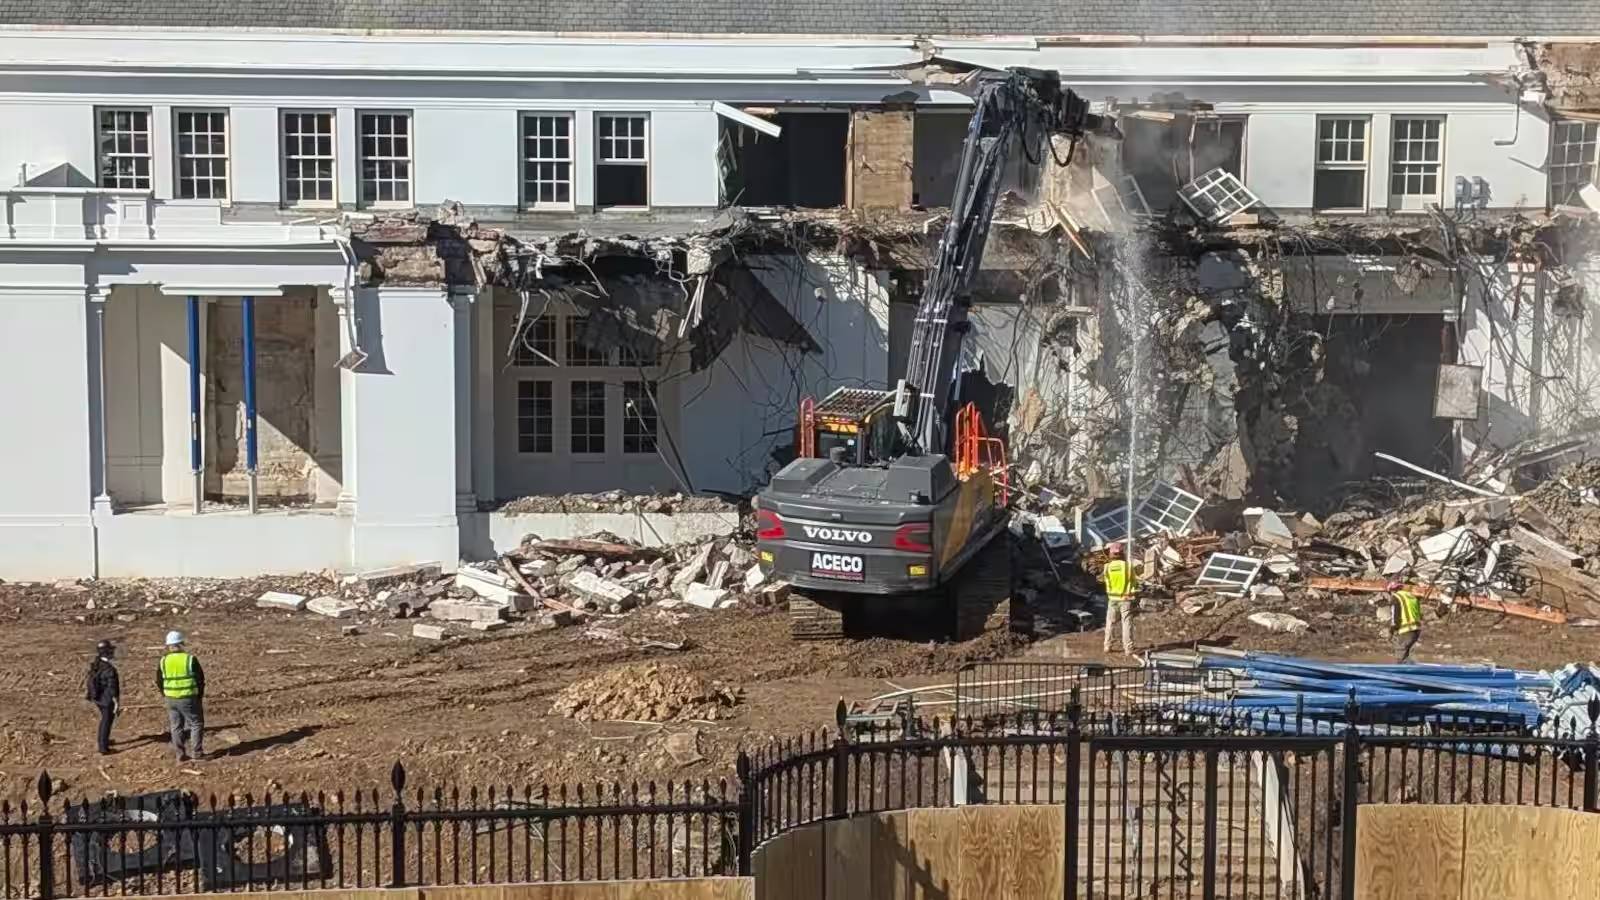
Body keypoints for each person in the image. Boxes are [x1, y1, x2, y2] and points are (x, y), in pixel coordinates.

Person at [157, 630, 206, 761]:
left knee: (176, 726)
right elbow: (200, 679)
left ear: (169, 645)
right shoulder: (189, 659)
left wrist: (166, 693)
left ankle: (180, 754)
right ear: (181, 643)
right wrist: (199, 696)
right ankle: (197, 753)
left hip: (170, 698)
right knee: (196, 723)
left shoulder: (163, 661)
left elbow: (159, 680)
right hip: (188, 697)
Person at [1102, 542, 1138, 657]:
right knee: (1126, 623)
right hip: (1125, 598)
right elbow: (1134, 581)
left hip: (1112, 598)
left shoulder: (1107, 567)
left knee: (1110, 622)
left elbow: (1106, 581)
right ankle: (1128, 648)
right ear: (1122, 553)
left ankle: (1107, 646)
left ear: (1111, 554)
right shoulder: (1127, 566)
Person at [84, 640, 120, 755]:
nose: (113, 652)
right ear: (107, 652)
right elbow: (113, 688)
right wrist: (116, 703)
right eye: (111, 651)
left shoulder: (96, 663)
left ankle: (103, 740)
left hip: (97, 697)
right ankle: (103, 747)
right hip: (106, 699)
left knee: (105, 719)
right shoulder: (110, 669)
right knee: (107, 721)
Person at [1388, 580, 1422, 663]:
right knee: (1406, 654)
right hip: (1416, 630)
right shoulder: (1412, 597)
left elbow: (1395, 617)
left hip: (1405, 629)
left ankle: (1400, 674)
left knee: (1400, 655)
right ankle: (1411, 670)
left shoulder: (1396, 597)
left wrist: (1392, 631)